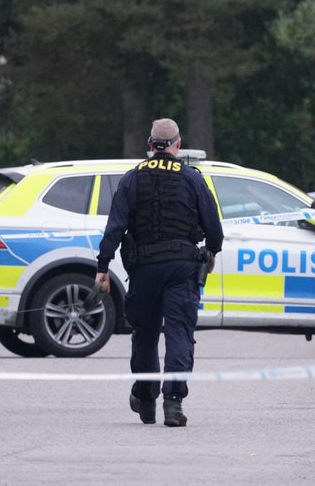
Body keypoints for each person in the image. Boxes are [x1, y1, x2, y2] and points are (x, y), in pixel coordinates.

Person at [95, 119, 223, 427]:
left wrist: (102, 268)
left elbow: (115, 227)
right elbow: (214, 227)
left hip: (144, 269)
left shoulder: (132, 179)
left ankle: (146, 397)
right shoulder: (192, 178)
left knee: (146, 335)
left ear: (150, 145)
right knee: (180, 334)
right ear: (178, 144)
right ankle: (173, 404)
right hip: (182, 268)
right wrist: (212, 252)